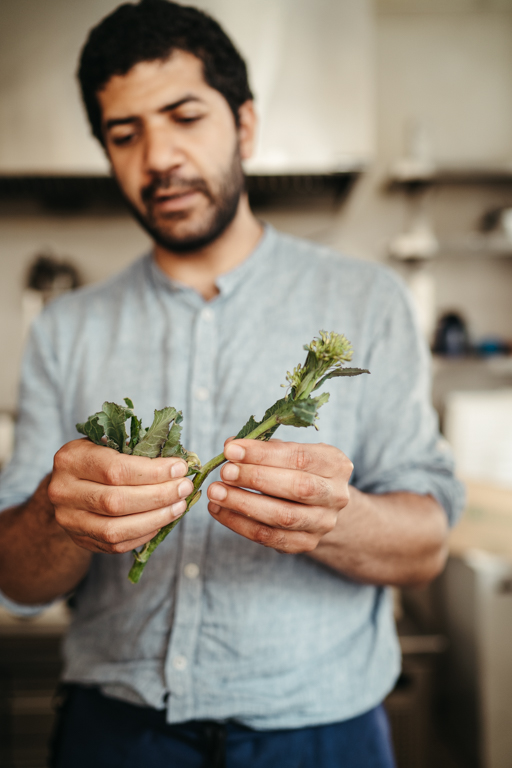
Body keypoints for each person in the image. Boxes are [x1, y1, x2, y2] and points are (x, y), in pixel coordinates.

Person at [0, 2, 464, 766]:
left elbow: (426, 546)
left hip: (322, 735)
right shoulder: (64, 327)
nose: (158, 158)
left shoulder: (367, 301)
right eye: (125, 134)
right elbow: (17, 583)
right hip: (114, 735)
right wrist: (59, 513)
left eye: (184, 116)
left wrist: (331, 518)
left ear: (244, 125)